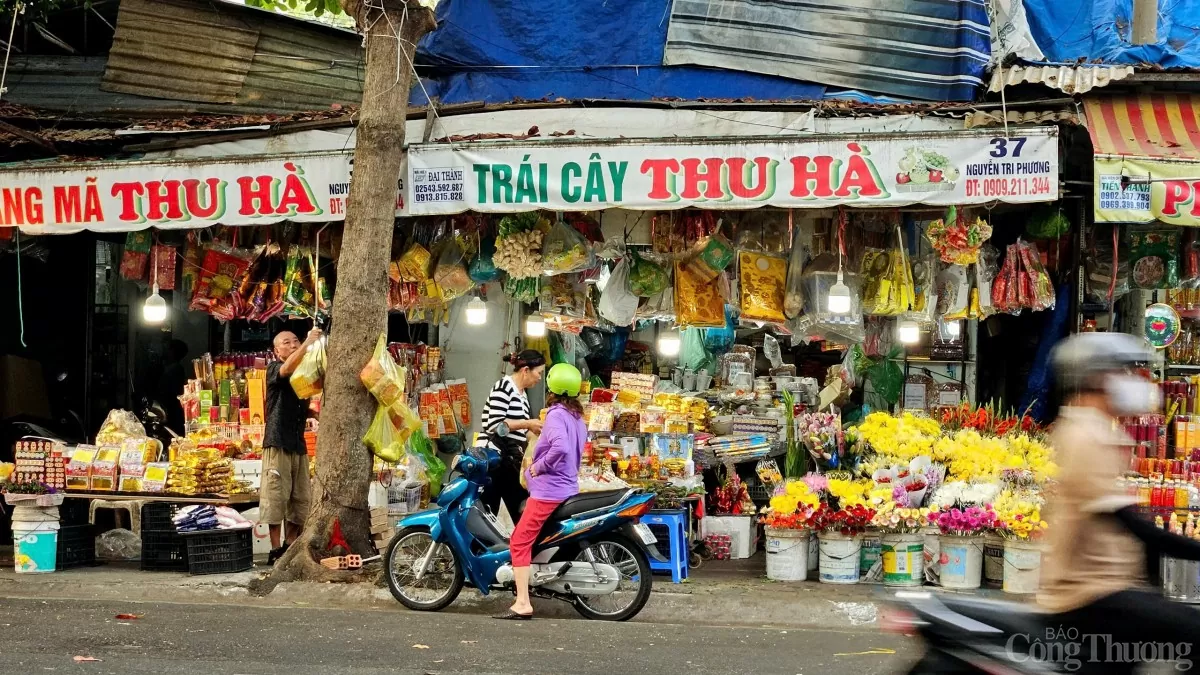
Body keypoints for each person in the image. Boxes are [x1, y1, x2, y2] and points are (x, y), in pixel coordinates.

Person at [1040, 332, 1200, 672]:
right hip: (1088, 594)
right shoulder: (1084, 436)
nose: (1136, 382)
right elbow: (1131, 523)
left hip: (1112, 584)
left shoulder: (1100, 429)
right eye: (1126, 373)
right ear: (1099, 378)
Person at [495, 363, 585, 620]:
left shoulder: (556, 414)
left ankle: (522, 602)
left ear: (552, 389)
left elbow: (561, 448)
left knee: (519, 541)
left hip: (549, 490)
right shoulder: (576, 416)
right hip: (566, 486)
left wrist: (538, 467)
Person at [263, 328, 322, 565]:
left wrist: (313, 412)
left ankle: (290, 546)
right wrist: (308, 341)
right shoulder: (274, 368)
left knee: (300, 499)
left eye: (295, 340)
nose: (292, 345)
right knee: (275, 497)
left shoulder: (304, 374)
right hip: (278, 442)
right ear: (277, 351)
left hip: (298, 444)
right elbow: (286, 370)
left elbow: (297, 403)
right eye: (286, 343)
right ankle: (275, 549)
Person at [478, 350, 545, 522]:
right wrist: (528, 423)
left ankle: (517, 547)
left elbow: (521, 432)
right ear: (525, 370)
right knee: (491, 512)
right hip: (496, 461)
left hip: (510, 460)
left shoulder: (522, 395)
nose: (539, 378)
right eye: (539, 372)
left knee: (521, 508)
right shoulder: (504, 387)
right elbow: (495, 426)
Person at [157, 339, 190, 435]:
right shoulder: (170, 368)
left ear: (172, 352)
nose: (164, 350)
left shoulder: (175, 369)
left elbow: (171, 393)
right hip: (170, 410)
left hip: (172, 412)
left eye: (167, 348)